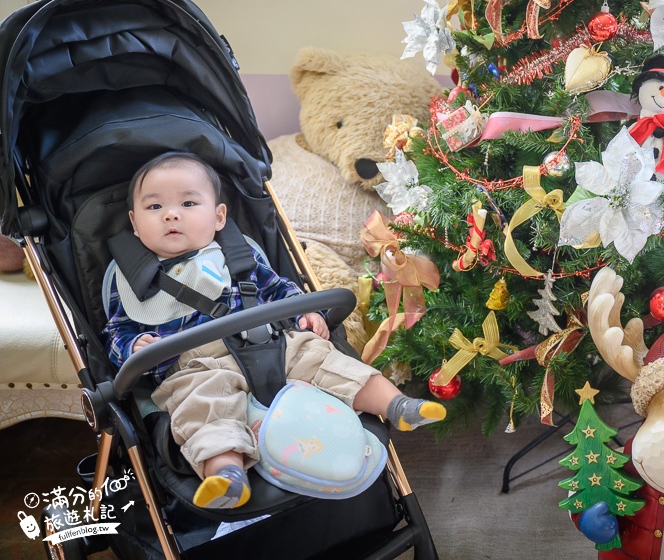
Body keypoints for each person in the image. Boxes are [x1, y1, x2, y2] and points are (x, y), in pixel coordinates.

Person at [103, 152, 445, 510]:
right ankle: (226, 473)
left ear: (219, 216)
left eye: (189, 202)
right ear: (135, 223)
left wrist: (305, 312)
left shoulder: (238, 254)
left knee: (319, 355)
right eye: (155, 207)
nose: (171, 214)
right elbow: (117, 332)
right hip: (196, 364)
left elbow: (280, 290)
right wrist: (134, 345)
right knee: (201, 406)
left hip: (270, 342)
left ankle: (396, 404)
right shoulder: (129, 281)